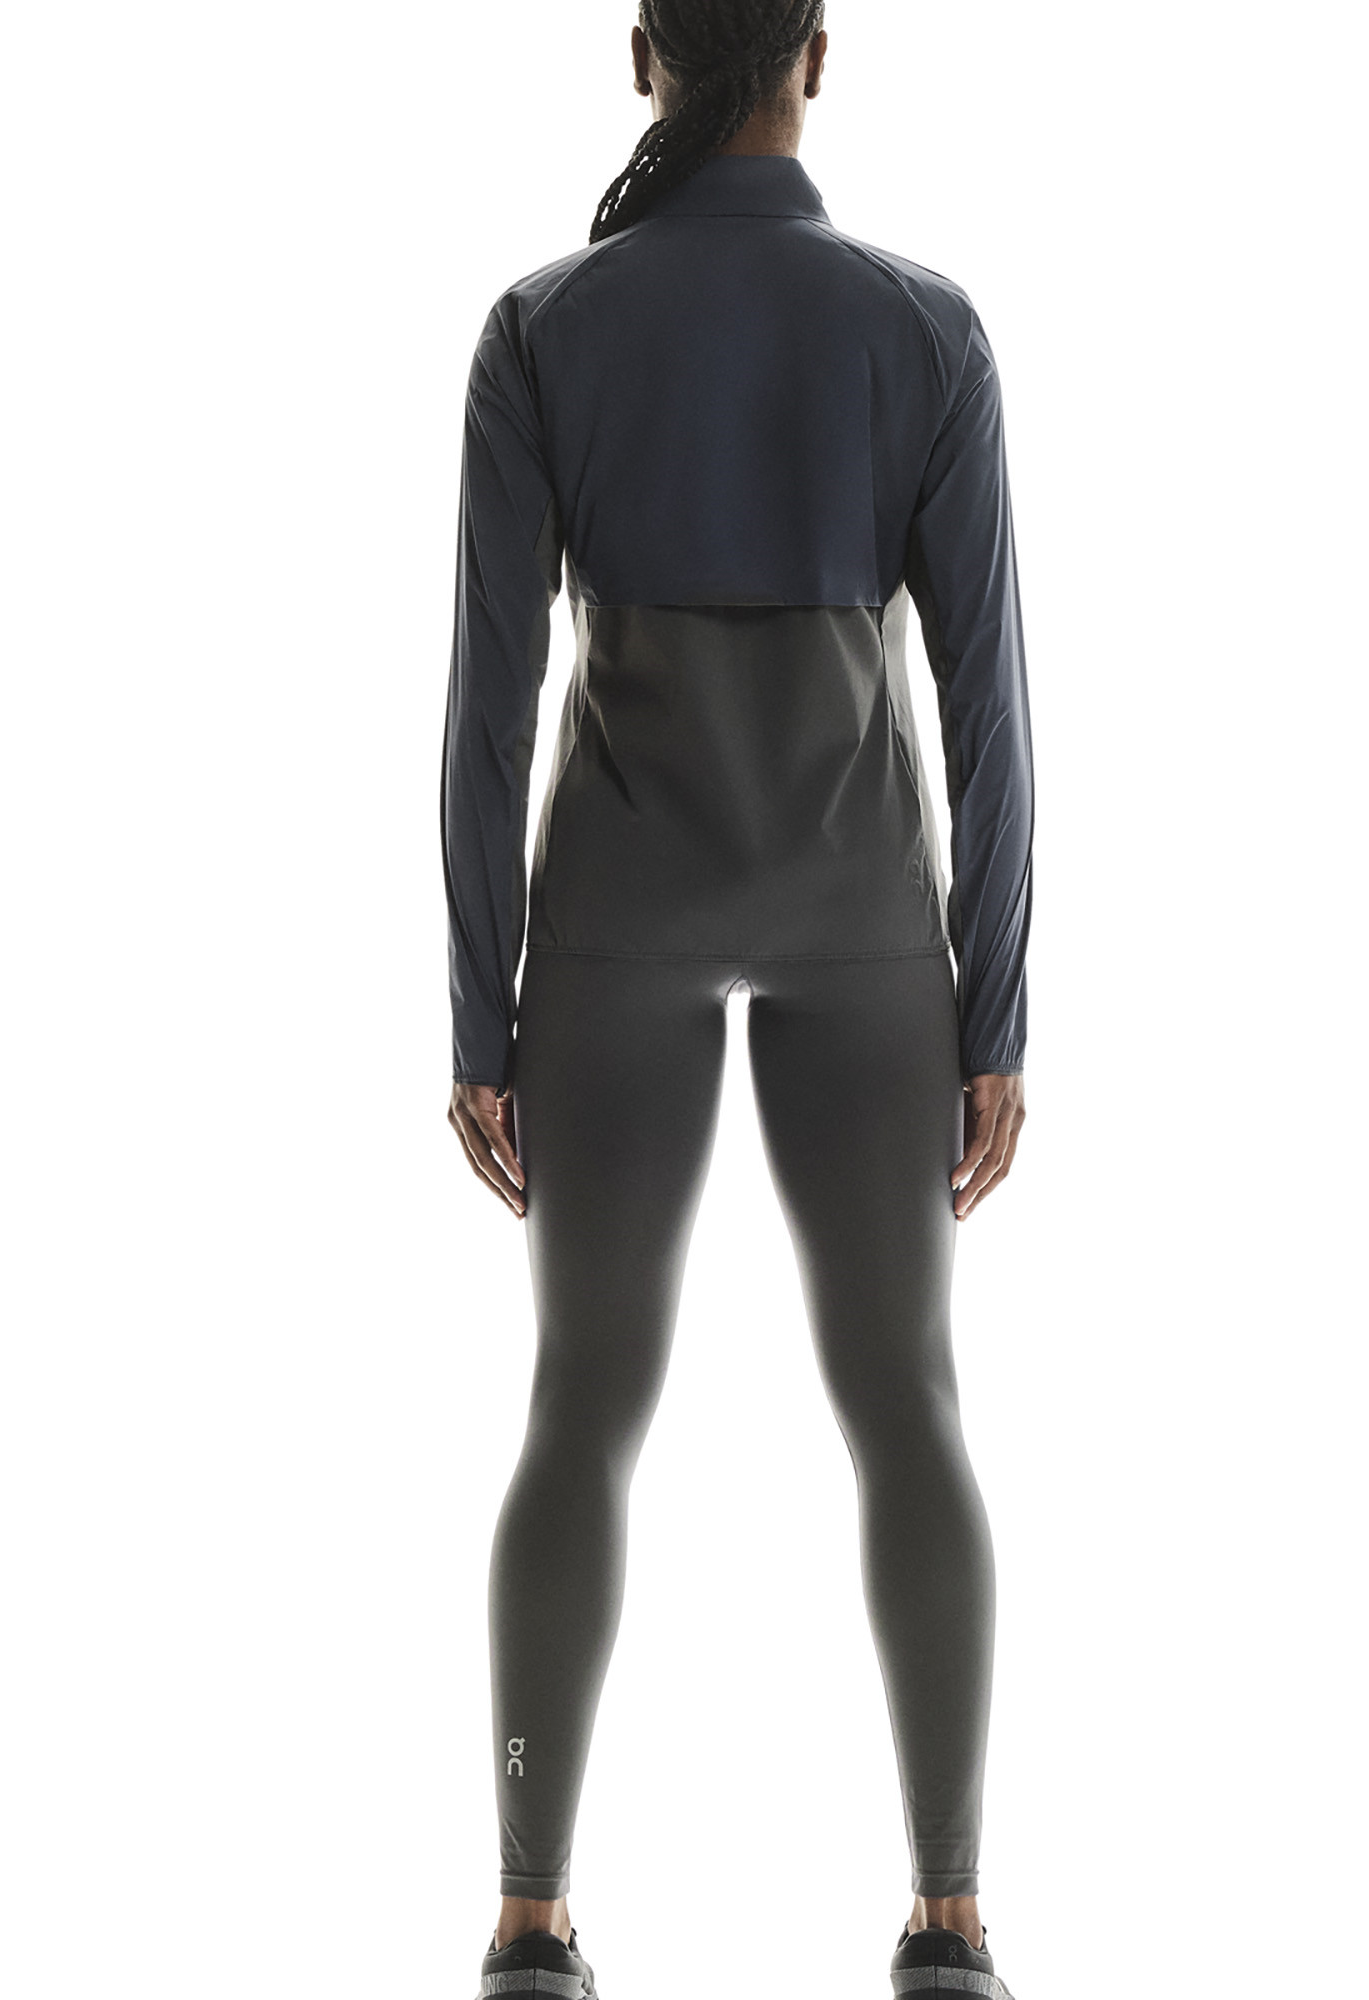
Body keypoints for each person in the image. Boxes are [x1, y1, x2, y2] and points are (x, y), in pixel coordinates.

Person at [440, 5, 1033, 1995]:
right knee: (906, 1403)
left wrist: (477, 1014)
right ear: (815, 58)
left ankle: (529, 1925)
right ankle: (949, 1922)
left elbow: (486, 709)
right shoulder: (925, 328)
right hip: (863, 915)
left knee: (580, 1407)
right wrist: (997, 1012)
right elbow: (989, 709)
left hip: (616, 910)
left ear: (644, 62)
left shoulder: (543, 327)